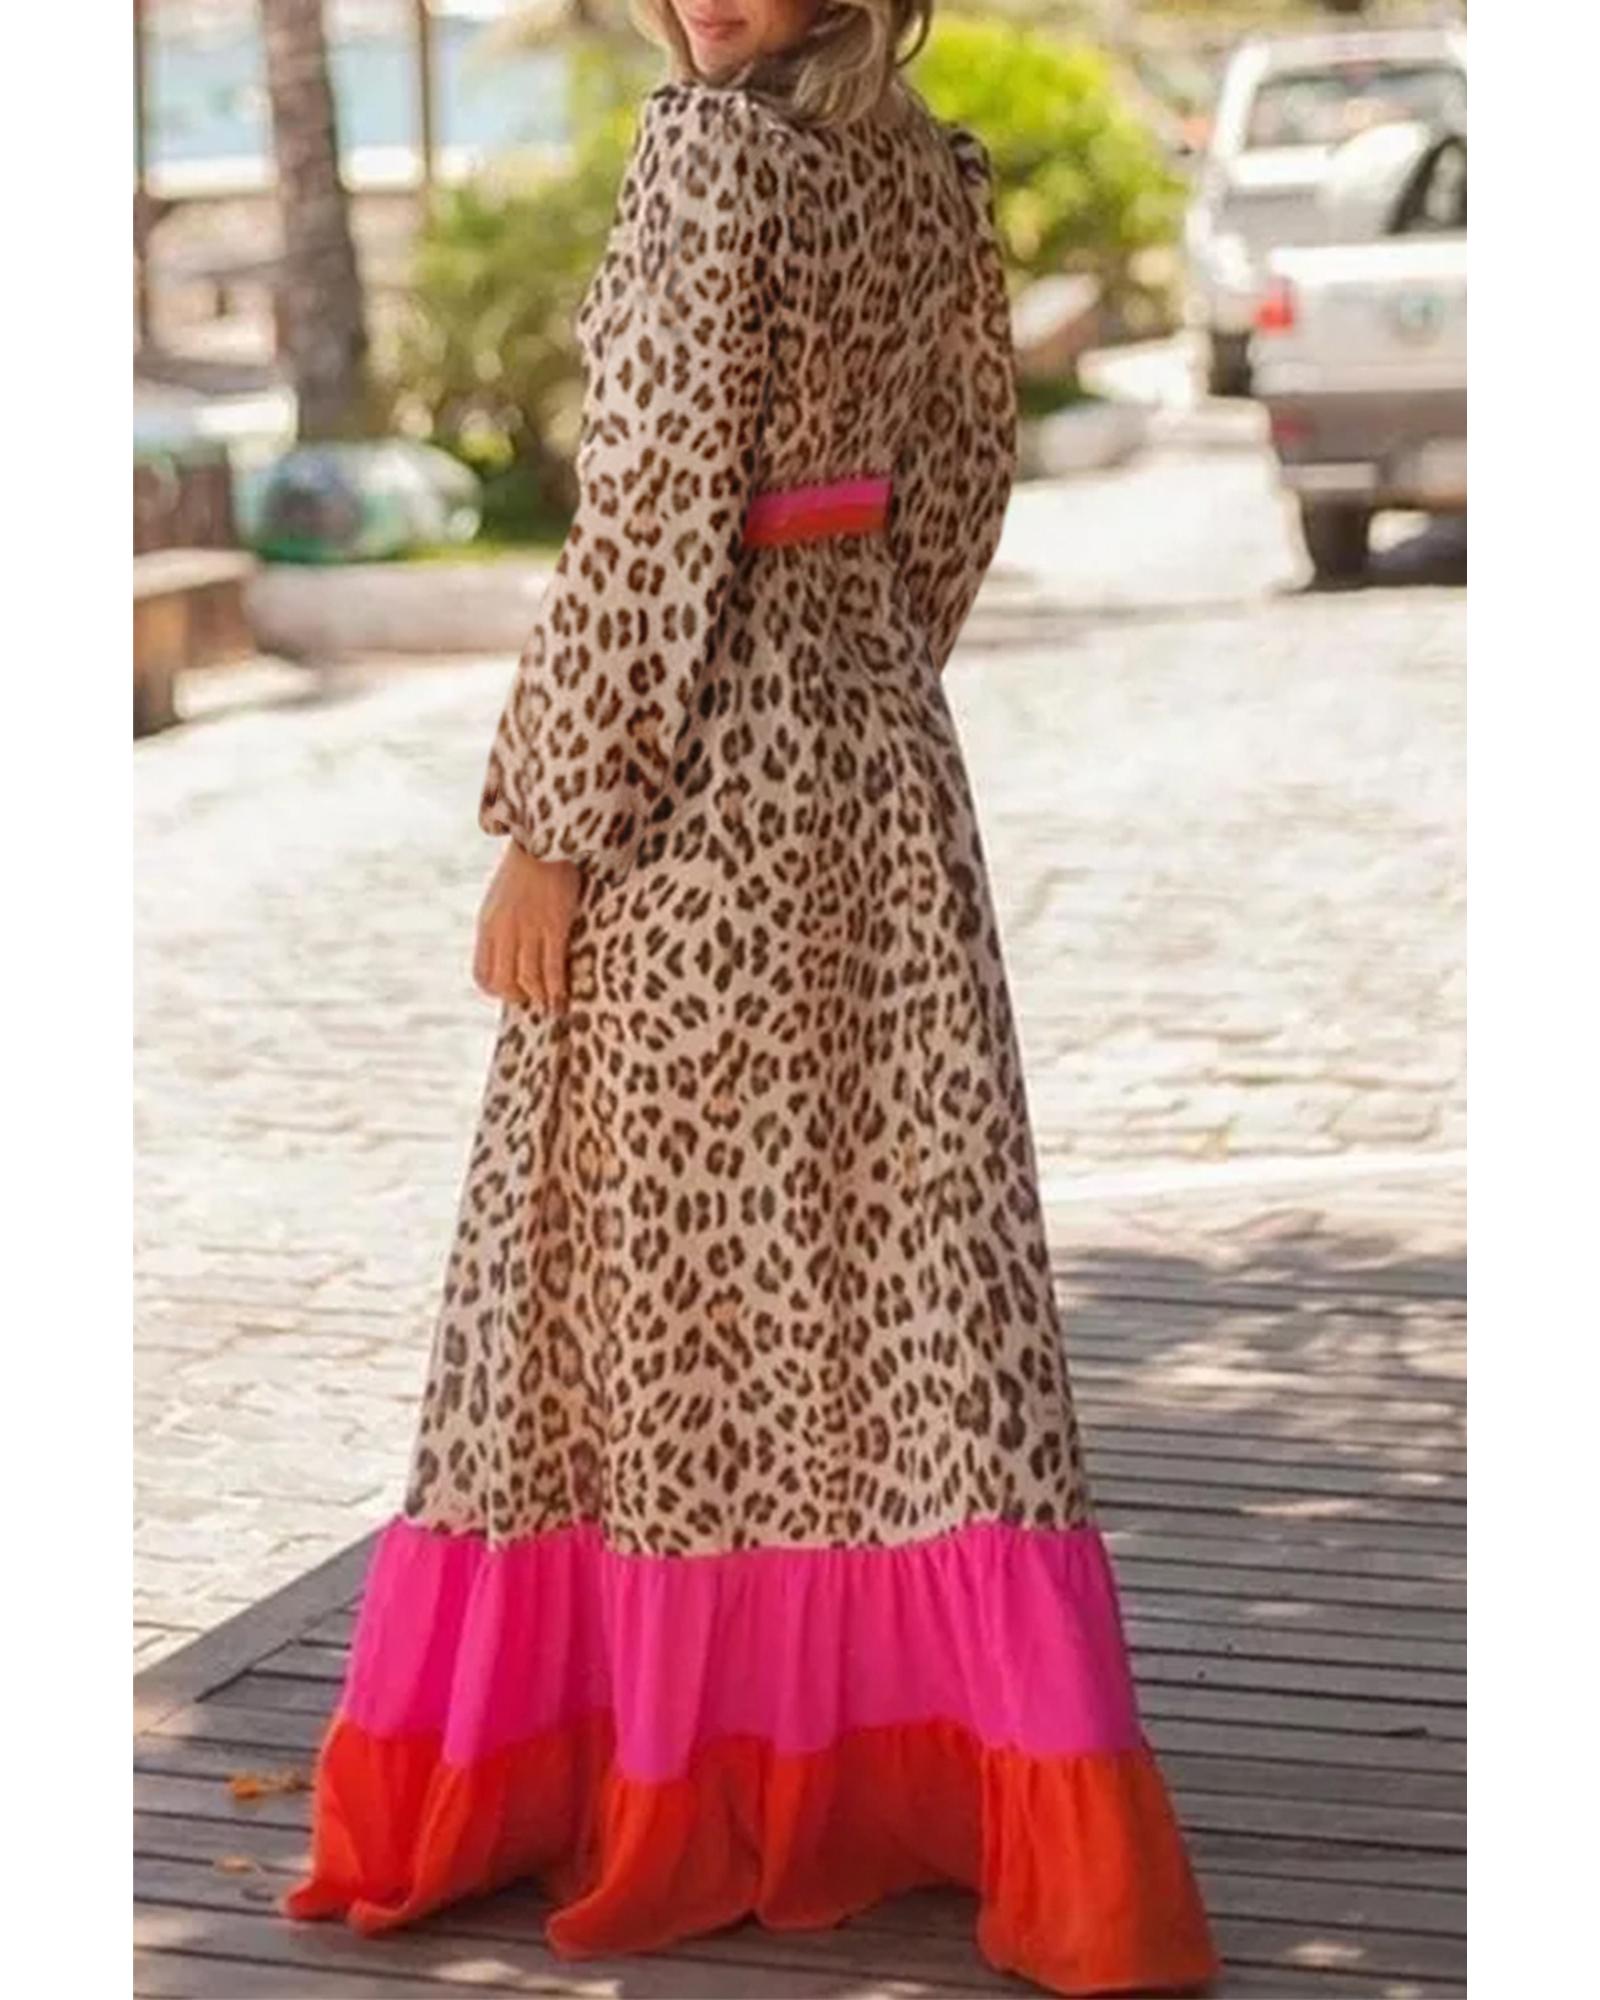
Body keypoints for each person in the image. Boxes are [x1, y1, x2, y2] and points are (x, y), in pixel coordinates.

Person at [281, 3, 1220, 1993]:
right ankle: (967, 1784)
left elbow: (642, 517)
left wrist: (552, 824)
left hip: (693, 792)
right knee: (894, 1287)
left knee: (657, 1295)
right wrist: (854, 666)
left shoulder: (706, 153)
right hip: (878, 769)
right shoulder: (930, 169)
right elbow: (962, 480)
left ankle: (671, 1767)